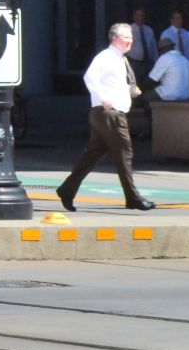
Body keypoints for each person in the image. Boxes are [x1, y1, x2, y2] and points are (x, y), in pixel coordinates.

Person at [57, 23, 155, 212]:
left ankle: (67, 190)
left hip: (107, 114)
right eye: (126, 37)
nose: (130, 41)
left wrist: (130, 90)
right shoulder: (106, 57)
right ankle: (133, 198)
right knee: (124, 153)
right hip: (110, 114)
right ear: (115, 39)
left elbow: (113, 83)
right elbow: (89, 77)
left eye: (131, 37)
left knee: (92, 155)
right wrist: (102, 98)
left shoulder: (119, 59)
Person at [148, 37, 189, 102]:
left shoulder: (164, 58)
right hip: (186, 95)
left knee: (145, 97)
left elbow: (152, 79)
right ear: (173, 47)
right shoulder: (184, 59)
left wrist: (142, 88)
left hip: (170, 94)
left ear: (163, 49)